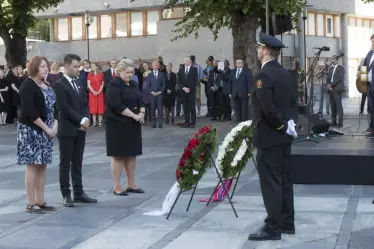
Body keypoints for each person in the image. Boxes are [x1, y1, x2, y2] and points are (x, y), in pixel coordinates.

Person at [248, 33, 298, 241]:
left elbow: (268, 110)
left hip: (270, 137)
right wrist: (290, 125)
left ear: (265, 51)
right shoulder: (285, 74)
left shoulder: (264, 76)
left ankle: (273, 227)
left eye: (259, 47)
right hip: (284, 137)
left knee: (271, 183)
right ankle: (287, 222)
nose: (258, 50)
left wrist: (281, 126)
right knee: (285, 180)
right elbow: (293, 103)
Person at [54, 54, 97, 207]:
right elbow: (64, 108)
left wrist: (86, 118)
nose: (78, 69)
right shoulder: (60, 84)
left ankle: (78, 192)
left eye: (79, 66)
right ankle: (66, 194)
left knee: (78, 162)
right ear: (66, 66)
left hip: (80, 129)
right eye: (75, 66)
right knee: (66, 163)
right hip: (67, 129)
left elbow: (84, 103)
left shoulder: (79, 82)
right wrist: (79, 120)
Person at [17, 56, 58, 213]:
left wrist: (54, 125)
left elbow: (54, 107)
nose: (46, 68)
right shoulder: (28, 85)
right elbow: (30, 111)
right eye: (42, 66)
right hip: (32, 130)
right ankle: (30, 202)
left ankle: (41, 201)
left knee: (43, 165)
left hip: (47, 130)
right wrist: (46, 129)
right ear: (34, 68)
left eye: (46, 66)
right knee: (33, 165)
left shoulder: (46, 84)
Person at [105, 59, 145, 196]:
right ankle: (117, 186)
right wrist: (134, 116)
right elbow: (117, 106)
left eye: (132, 72)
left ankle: (131, 184)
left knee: (132, 154)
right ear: (120, 71)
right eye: (127, 72)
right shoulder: (113, 85)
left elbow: (142, 99)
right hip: (118, 124)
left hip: (132, 124)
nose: (130, 75)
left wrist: (141, 113)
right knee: (119, 156)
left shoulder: (133, 84)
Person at [229, 58, 254, 122]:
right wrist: (230, 92)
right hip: (235, 93)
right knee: (237, 108)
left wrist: (249, 91)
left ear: (243, 63)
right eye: (237, 63)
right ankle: (238, 121)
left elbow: (250, 82)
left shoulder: (247, 71)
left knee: (244, 109)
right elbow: (230, 82)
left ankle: (244, 122)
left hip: (244, 93)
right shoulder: (233, 71)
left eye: (240, 62)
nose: (238, 64)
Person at [178, 57, 198, 128]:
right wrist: (183, 88)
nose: (186, 62)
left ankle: (193, 123)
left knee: (192, 107)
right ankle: (187, 122)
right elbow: (179, 81)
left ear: (190, 61)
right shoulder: (181, 70)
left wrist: (189, 88)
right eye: (185, 60)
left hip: (191, 91)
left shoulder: (194, 69)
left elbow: (195, 80)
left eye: (188, 60)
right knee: (185, 107)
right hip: (183, 91)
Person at [327, 54, 345, 128]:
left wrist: (332, 85)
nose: (332, 60)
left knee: (338, 105)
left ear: (337, 60)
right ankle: (333, 121)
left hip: (337, 89)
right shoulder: (330, 68)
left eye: (334, 59)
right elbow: (328, 77)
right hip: (331, 89)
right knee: (332, 106)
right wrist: (328, 85)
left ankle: (340, 122)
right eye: (332, 59)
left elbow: (340, 78)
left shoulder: (341, 68)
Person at [87, 62, 105, 127]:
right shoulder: (89, 74)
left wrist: (98, 91)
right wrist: (93, 91)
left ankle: (100, 122)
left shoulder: (101, 74)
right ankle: (94, 122)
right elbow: (88, 84)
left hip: (100, 93)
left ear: (96, 67)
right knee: (93, 107)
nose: (91, 67)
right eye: (91, 66)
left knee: (100, 107)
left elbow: (102, 84)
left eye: (93, 66)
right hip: (92, 93)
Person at [149, 60, 165, 128]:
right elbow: (148, 85)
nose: (155, 66)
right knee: (152, 109)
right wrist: (151, 91)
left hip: (159, 94)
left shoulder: (162, 74)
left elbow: (164, 84)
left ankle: (160, 122)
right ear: (152, 66)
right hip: (152, 95)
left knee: (160, 109)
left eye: (157, 65)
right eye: (154, 65)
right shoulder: (149, 75)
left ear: (158, 66)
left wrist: (160, 92)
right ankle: (153, 123)